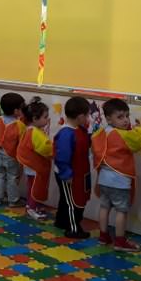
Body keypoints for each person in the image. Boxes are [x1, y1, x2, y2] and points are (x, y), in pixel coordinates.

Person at [92, 98, 141, 252]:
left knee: (104, 207)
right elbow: (140, 142)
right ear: (109, 118)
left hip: (103, 179)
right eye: (120, 117)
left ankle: (103, 236)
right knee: (121, 211)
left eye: (127, 116)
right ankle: (120, 241)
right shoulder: (125, 135)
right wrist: (140, 129)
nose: (125, 120)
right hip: (120, 181)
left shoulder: (101, 133)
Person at [53, 96, 93, 237]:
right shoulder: (66, 134)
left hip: (79, 172)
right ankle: (74, 229)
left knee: (67, 200)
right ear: (80, 117)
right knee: (72, 202)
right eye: (87, 115)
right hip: (68, 175)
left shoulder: (79, 129)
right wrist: (66, 175)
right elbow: (61, 157)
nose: (88, 118)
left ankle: (61, 221)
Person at [0, 92, 26, 206]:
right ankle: (13, 200)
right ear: (16, 111)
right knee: (12, 178)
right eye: (22, 108)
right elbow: (22, 143)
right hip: (11, 157)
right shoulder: (19, 125)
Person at [16, 98, 52, 221]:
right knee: (34, 188)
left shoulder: (30, 129)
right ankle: (31, 208)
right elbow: (45, 148)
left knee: (32, 186)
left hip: (31, 166)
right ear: (35, 119)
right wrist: (55, 149)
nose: (47, 119)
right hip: (34, 166)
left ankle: (32, 205)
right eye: (45, 117)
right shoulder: (35, 132)